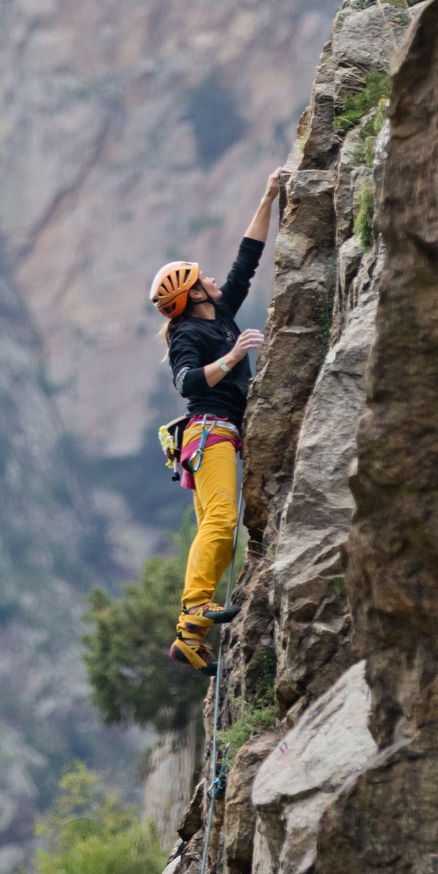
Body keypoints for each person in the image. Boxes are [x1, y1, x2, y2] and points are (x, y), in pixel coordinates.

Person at [149, 164, 290, 671]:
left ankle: (190, 635)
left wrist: (268, 198)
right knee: (222, 523)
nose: (213, 278)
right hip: (209, 433)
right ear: (195, 295)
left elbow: (245, 262)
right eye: (202, 277)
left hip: (220, 436)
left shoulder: (221, 314)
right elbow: (187, 382)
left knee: (219, 532)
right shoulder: (190, 335)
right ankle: (192, 614)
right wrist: (232, 360)